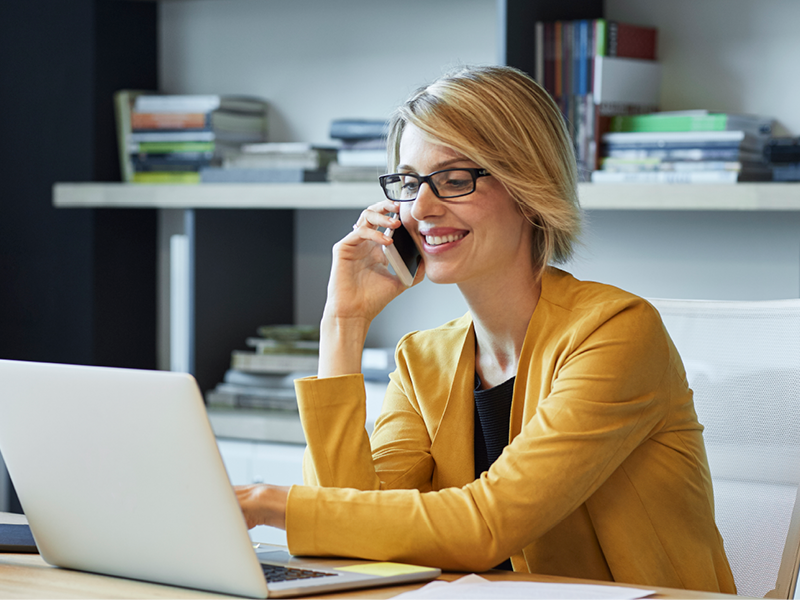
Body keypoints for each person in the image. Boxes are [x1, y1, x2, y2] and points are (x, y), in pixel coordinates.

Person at [236, 65, 736, 593]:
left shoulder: (616, 333)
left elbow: (486, 524)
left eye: (454, 180)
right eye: (408, 183)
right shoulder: (422, 360)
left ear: (528, 186)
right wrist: (343, 323)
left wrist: (267, 503)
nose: (421, 209)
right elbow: (348, 535)